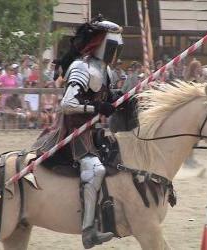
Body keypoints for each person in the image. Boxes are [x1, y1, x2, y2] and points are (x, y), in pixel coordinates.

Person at [33, 17, 123, 248]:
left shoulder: (107, 71)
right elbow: (67, 103)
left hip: (93, 129)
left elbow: (106, 97)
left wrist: (118, 101)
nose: (115, 53)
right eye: (113, 47)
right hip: (73, 130)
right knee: (95, 169)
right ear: (101, 44)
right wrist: (97, 108)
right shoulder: (82, 67)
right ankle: (88, 230)